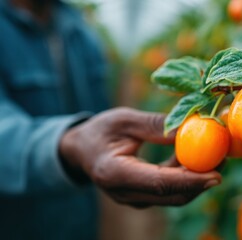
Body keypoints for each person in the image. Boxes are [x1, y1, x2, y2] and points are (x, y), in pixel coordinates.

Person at [0, 0, 221, 239]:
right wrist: (71, 145)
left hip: (82, 217)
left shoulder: (81, 31)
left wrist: (112, 151)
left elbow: (99, 108)